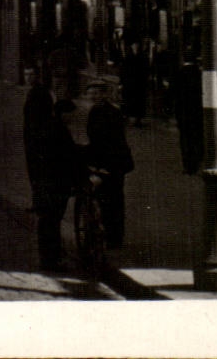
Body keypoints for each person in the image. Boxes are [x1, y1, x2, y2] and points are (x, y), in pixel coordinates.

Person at [32, 98, 85, 272]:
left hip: (46, 182)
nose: (73, 117)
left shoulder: (51, 127)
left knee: (48, 221)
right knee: (52, 221)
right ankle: (50, 260)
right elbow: (67, 157)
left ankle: (49, 257)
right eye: (71, 114)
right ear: (64, 114)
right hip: (54, 184)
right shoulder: (58, 130)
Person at [84, 83, 135, 248]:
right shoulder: (94, 111)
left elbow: (114, 141)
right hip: (103, 161)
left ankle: (114, 238)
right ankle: (105, 234)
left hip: (114, 162)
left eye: (96, 94)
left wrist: (103, 165)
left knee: (114, 201)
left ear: (104, 95)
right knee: (105, 199)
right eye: (90, 94)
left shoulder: (112, 113)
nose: (93, 97)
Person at [172, 56, 204, 175]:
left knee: (186, 140)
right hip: (198, 112)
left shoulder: (179, 74)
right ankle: (198, 160)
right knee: (198, 137)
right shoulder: (199, 73)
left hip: (183, 113)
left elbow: (175, 94)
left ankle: (188, 165)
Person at [120, 37, 151, 125]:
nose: (135, 47)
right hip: (129, 82)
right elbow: (123, 70)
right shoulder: (128, 56)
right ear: (132, 46)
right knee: (127, 99)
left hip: (139, 82)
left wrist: (145, 80)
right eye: (134, 45)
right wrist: (122, 82)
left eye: (137, 45)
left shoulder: (143, 56)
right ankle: (125, 115)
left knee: (139, 101)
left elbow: (146, 69)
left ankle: (138, 119)